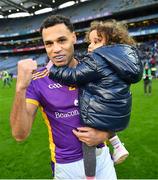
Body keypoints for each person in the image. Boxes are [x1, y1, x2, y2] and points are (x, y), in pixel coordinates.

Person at [10, 15, 117, 179]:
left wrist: (105, 134)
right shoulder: (38, 81)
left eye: (62, 40)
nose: (56, 49)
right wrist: (20, 88)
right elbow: (20, 134)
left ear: (74, 37)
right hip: (66, 166)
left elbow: (116, 110)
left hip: (100, 157)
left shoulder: (94, 69)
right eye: (49, 43)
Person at [49, 19, 143, 177]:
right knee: (104, 126)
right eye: (89, 42)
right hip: (117, 111)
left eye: (96, 41)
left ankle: (90, 176)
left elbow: (74, 76)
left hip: (101, 110)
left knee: (88, 142)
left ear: (110, 42)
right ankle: (118, 146)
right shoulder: (124, 59)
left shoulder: (99, 59)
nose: (90, 46)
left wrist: (53, 71)